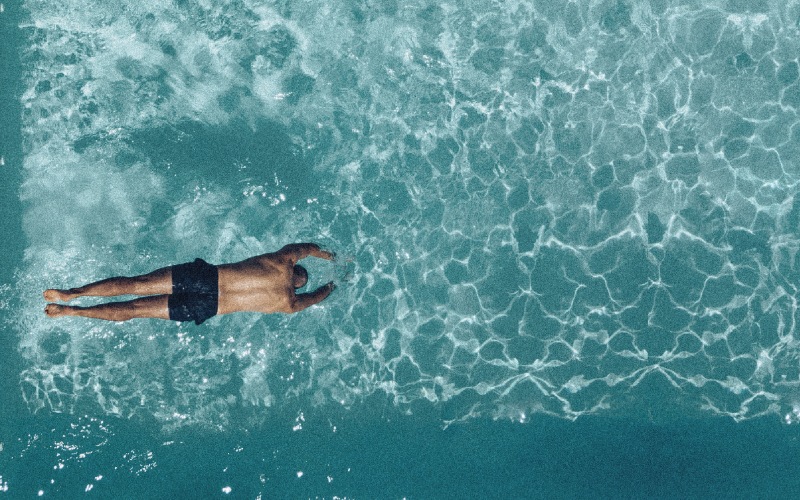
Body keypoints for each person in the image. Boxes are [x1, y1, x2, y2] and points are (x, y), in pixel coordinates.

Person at [43, 243, 336, 324]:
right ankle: (72, 312)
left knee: (136, 283)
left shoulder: (282, 261)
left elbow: (307, 247)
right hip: (211, 306)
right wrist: (335, 285)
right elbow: (319, 296)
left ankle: (72, 293)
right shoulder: (288, 304)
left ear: (296, 270)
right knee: (135, 309)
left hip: (209, 277)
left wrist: (330, 256)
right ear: (299, 286)